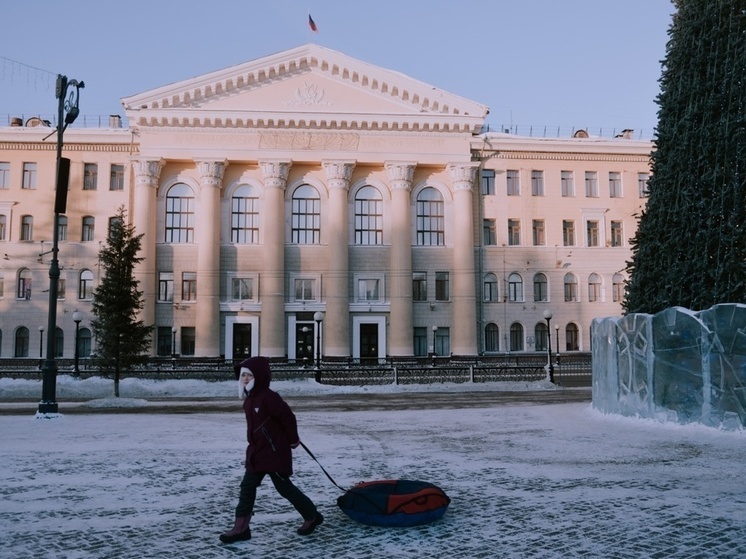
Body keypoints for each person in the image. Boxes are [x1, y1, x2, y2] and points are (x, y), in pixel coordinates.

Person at [220, 356, 323, 543]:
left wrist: (293, 440)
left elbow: (287, 417)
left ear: (259, 377)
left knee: (285, 489)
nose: (245, 379)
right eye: (243, 375)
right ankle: (241, 528)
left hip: (275, 452)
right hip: (257, 453)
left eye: (249, 375)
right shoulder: (249, 400)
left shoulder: (269, 397)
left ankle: (311, 515)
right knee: (247, 487)